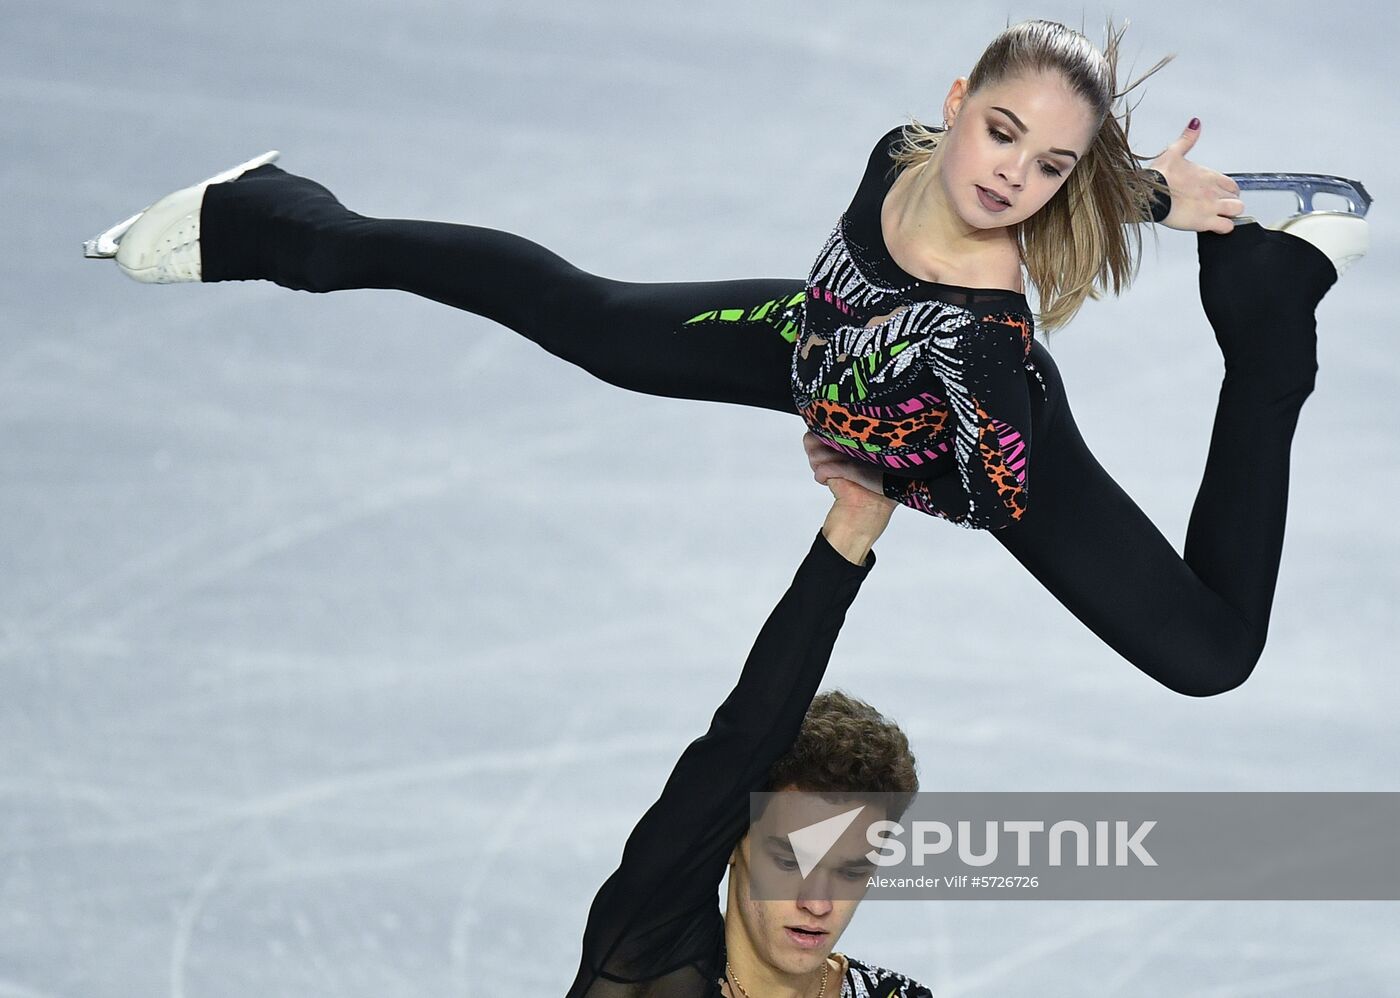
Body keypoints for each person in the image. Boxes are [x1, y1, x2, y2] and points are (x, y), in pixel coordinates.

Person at [87, 19, 1366, 696]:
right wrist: (1142, 188)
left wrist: (865, 475)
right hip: (814, 352)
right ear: (954, 98)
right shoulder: (900, 150)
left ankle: (1270, 318)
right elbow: (1027, 174)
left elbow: (973, 491)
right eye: (997, 132)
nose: (1005, 177)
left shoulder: (988, 349)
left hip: (960, 450)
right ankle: (281, 221)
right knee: (579, 313)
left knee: (1210, 657)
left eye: (1042, 168)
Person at [569, 478, 932, 997]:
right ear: (734, 841)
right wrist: (853, 528)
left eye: (850, 870)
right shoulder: (649, 958)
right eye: (790, 861)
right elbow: (744, 739)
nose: (818, 903)